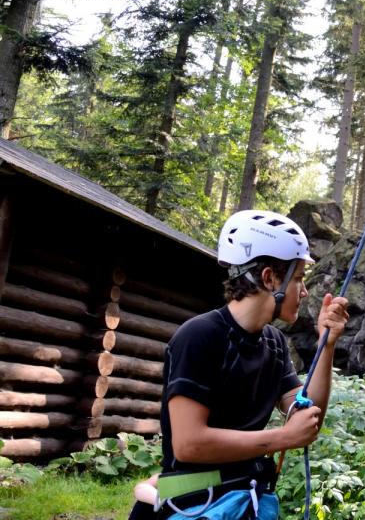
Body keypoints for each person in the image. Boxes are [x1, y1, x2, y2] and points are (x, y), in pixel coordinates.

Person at [128, 209, 350, 520]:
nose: (304, 291)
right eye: (299, 278)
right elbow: (189, 444)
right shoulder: (201, 336)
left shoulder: (274, 343)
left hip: (243, 501)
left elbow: (307, 414)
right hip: (192, 507)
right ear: (269, 278)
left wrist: (327, 345)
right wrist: (282, 437)